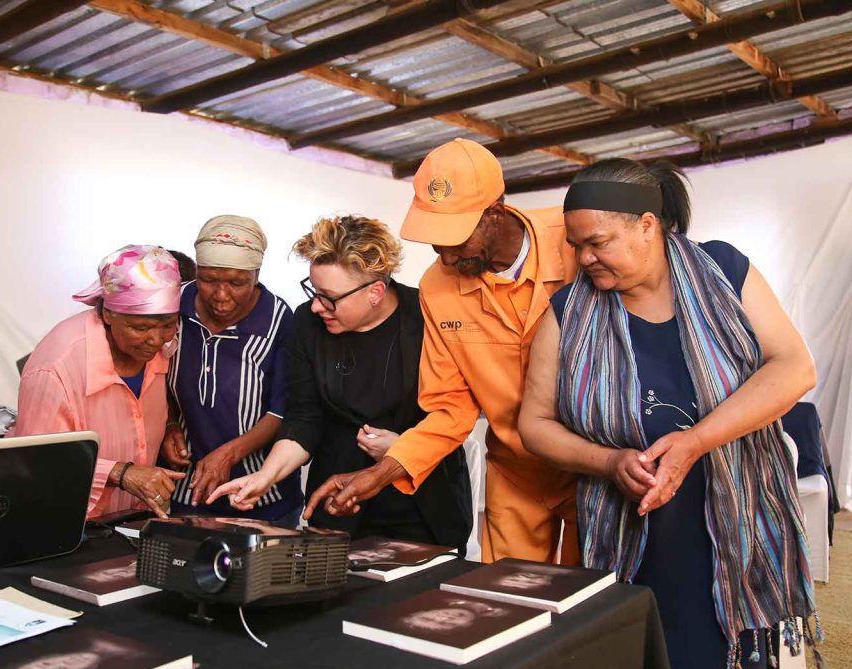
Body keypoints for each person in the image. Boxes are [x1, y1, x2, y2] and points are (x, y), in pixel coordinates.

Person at [516, 158, 820, 669]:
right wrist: (608, 462)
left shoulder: (724, 271)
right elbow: (535, 424)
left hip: (738, 525)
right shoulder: (567, 313)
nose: (584, 258)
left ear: (647, 225)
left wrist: (696, 441)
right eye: (575, 245)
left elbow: (795, 368)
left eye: (598, 242)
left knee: (733, 663)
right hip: (635, 537)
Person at [302, 139, 578, 564]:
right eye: (435, 242)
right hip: (517, 475)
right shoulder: (437, 287)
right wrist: (378, 474)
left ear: (494, 214)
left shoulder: (577, 241)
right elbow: (451, 409)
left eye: (456, 240)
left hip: (592, 469)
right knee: (510, 594)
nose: (446, 257)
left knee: (599, 591)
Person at [210, 215, 472, 549]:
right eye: (313, 291)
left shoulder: (429, 318)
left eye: (328, 296)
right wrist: (265, 476)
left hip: (425, 507)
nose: (316, 306)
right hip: (337, 503)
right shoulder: (307, 324)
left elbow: (453, 414)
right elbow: (303, 419)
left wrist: (402, 450)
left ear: (375, 291)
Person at [15, 245, 185, 519]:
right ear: (107, 313)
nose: (156, 339)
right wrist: (120, 473)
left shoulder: (163, 348)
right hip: (67, 525)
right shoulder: (55, 368)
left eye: (167, 324)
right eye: (140, 328)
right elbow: (37, 461)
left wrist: (169, 425)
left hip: (130, 520)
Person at [158, 216, 300, 526]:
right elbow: (154, 377)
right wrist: (169, 424)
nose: (221, 295)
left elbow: (283, 411)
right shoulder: (174, 306)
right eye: (209, 280)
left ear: (256, 275)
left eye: (237, 283)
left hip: (263, 498)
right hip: (188, 492)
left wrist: (228, 455)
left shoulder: (279, 320)